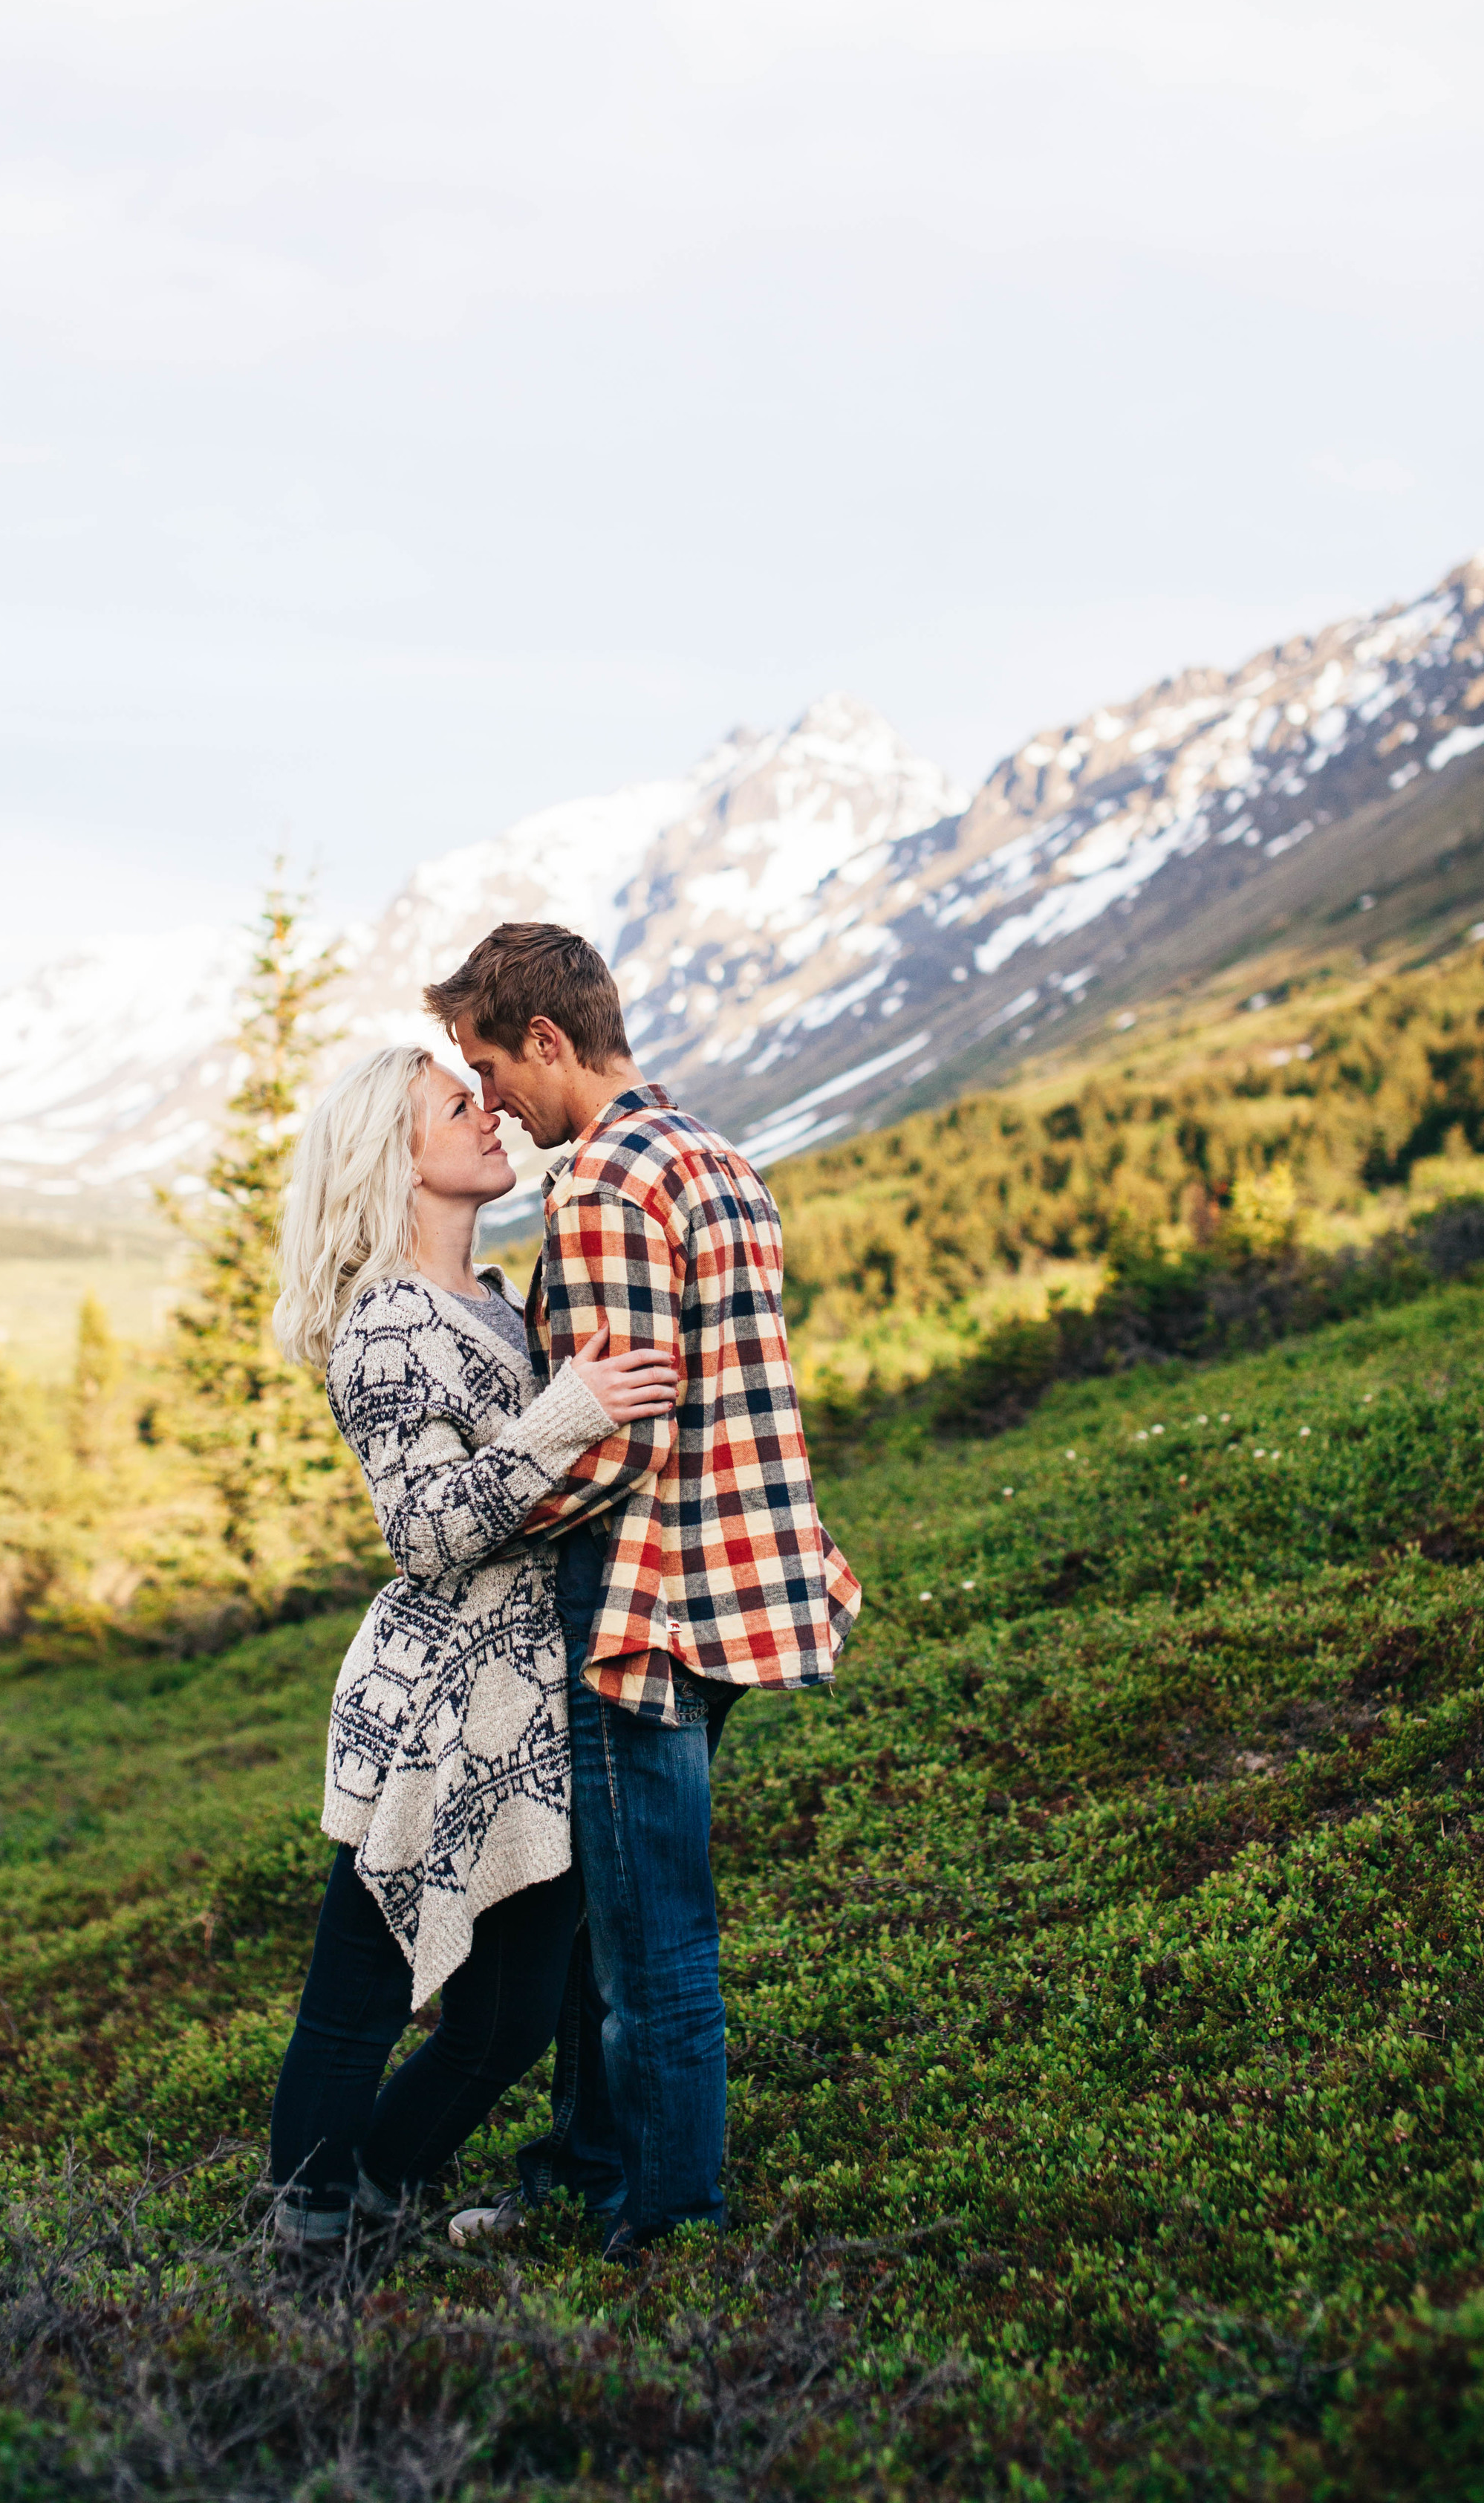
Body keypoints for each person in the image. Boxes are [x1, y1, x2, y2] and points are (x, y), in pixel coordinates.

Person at [422, 923, 861, 2258]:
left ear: (550, 1042)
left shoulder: (605, 1184)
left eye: (493, 1065)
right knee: (603, 1917)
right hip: (736, 1581)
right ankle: (586, 2159)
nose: (491, 1098)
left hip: (642, 1606)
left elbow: (615, 1432)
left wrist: (482, 1512)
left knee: (648, 1937)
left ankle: (668, 2223)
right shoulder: (713, 1154)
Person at [264, 1041, 677, 2254]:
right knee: (359, 1997)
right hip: (427, 1710)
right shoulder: (388, 1325)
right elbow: (426, 1531)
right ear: (399, 1157)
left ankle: (381, 2179)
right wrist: (568, 1414)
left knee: (504, 2018)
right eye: (460, 1105)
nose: (490, 1113)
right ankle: (302, 2233)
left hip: (526, 1704)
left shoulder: (492, 1298)